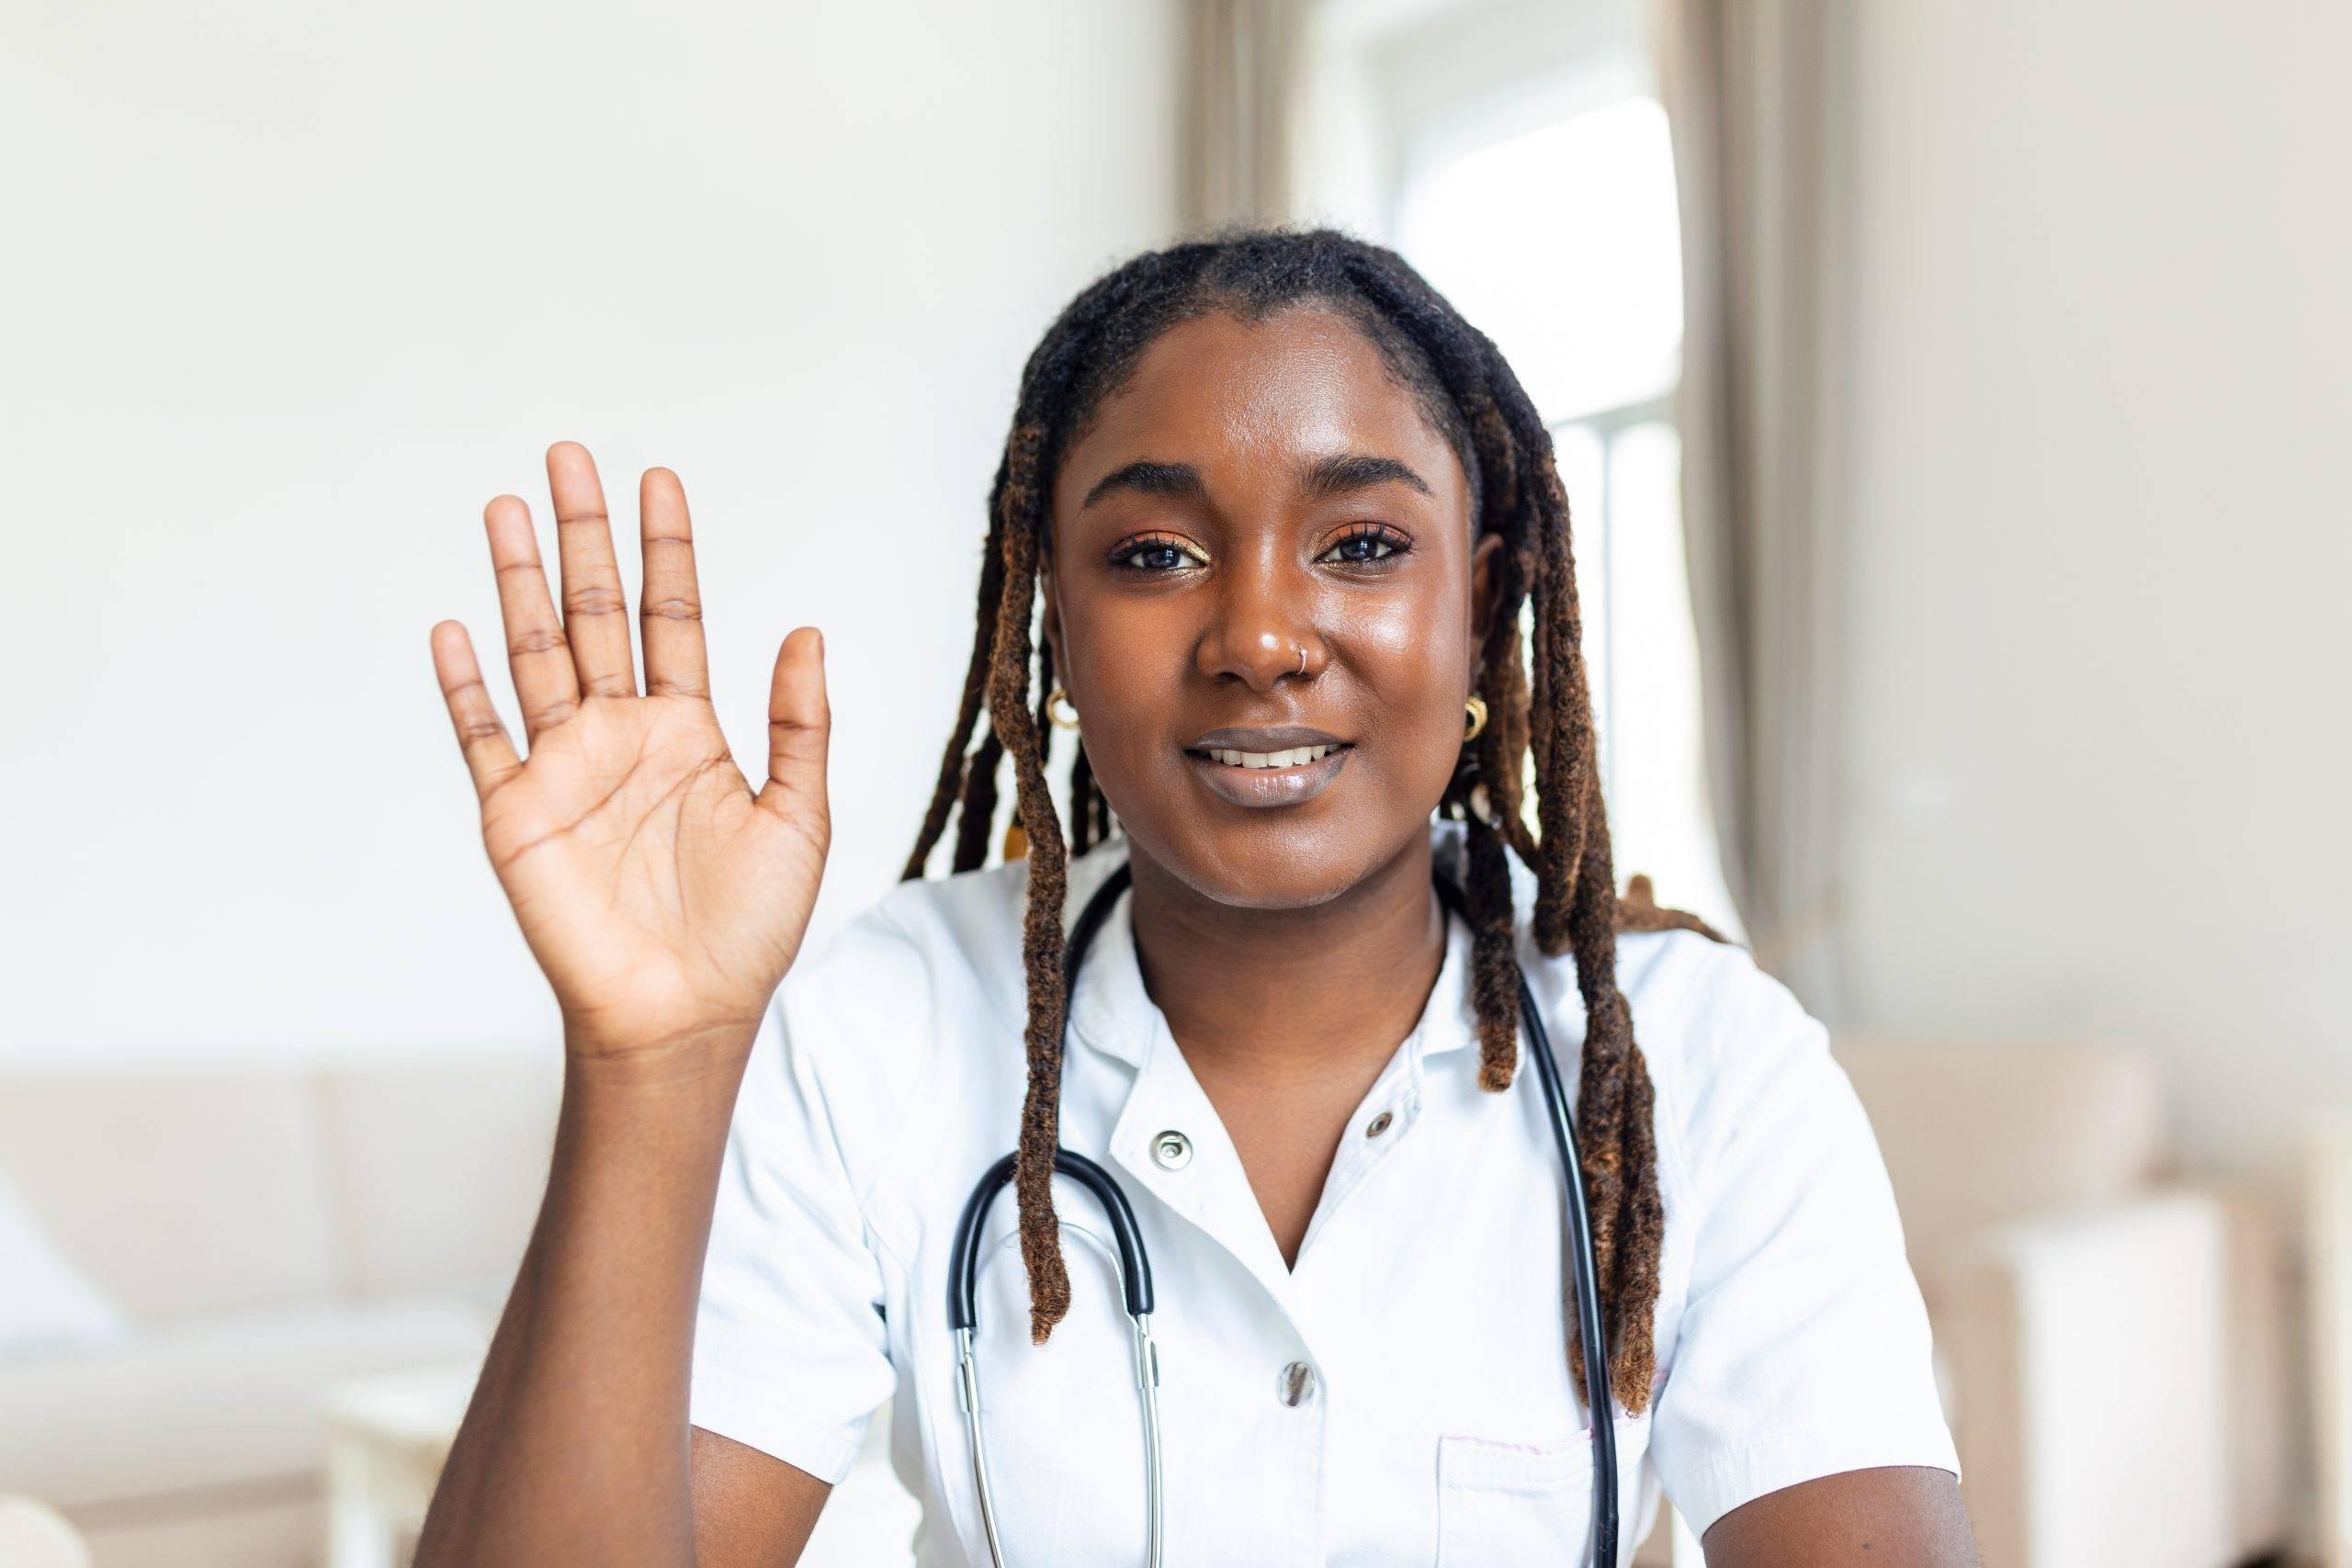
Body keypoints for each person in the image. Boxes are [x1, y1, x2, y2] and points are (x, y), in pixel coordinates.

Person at [414, 228, 1978, 1566]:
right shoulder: (883, 1032)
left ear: (1486, 604)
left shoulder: (1708, 1065)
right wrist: (653, 1059)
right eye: (1155, 555)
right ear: (1056, 628)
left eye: (1361, 544)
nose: (1260, 635)